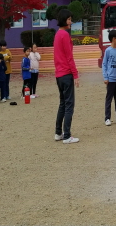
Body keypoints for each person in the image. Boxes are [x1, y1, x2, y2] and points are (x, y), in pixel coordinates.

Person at [53, 9, 80, 144]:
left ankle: (58, 133)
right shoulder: (65, 35)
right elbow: (69, 57)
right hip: (66, 74)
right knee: (69, 105)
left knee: (63, 104)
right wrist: (75, 75)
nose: (71, 22)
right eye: (69, 19)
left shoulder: (57, 34)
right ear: (64, 20)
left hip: (59, 74)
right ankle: (67, 135)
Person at [102, 29, 116, 126]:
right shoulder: (108, 51)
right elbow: (104, 64)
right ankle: (107, 118)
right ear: (113, 38)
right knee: (109, 99)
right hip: (110, 79)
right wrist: (105, 77)